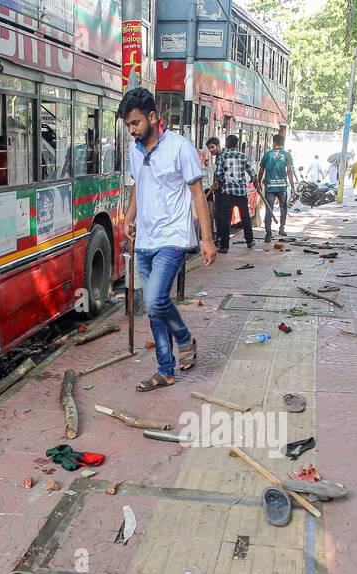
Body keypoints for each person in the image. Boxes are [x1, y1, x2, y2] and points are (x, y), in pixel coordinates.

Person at [119, 88, 216, 393]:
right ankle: (165, 370)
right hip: (145, 239)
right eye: (128, 126)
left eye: (135, 123)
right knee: (155, 308)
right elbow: (138, 185)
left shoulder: (180, 148)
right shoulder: (135, 150)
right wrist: (129, 218)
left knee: (156, 299)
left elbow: (197, 194)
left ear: (152, 117)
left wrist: (207, 239)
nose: (132, 130)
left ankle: (185, 338)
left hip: (173, 237)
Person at [213, 133, 256, 252]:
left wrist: (219, 182)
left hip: (227, 191)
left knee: (226, 219)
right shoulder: (243, 156)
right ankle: (250, 241)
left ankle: (224, 246)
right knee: (245, 217)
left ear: (226, 144)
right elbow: (251, 171)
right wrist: (253, 178)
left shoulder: (223, 156)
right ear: (237, 144)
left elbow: (219, 173)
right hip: (241, 192)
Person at [257, 133, 296, 240]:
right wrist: (293, 187)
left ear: (274, 142)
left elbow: (261, 170)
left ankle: (268, 233)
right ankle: (282, 229)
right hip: (282, 186)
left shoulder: (268, 154)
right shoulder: (287, 154)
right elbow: (289, 171)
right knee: (283, 208)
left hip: (270, 186)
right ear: (282, 143)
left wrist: (258, 182)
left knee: (269, 209)